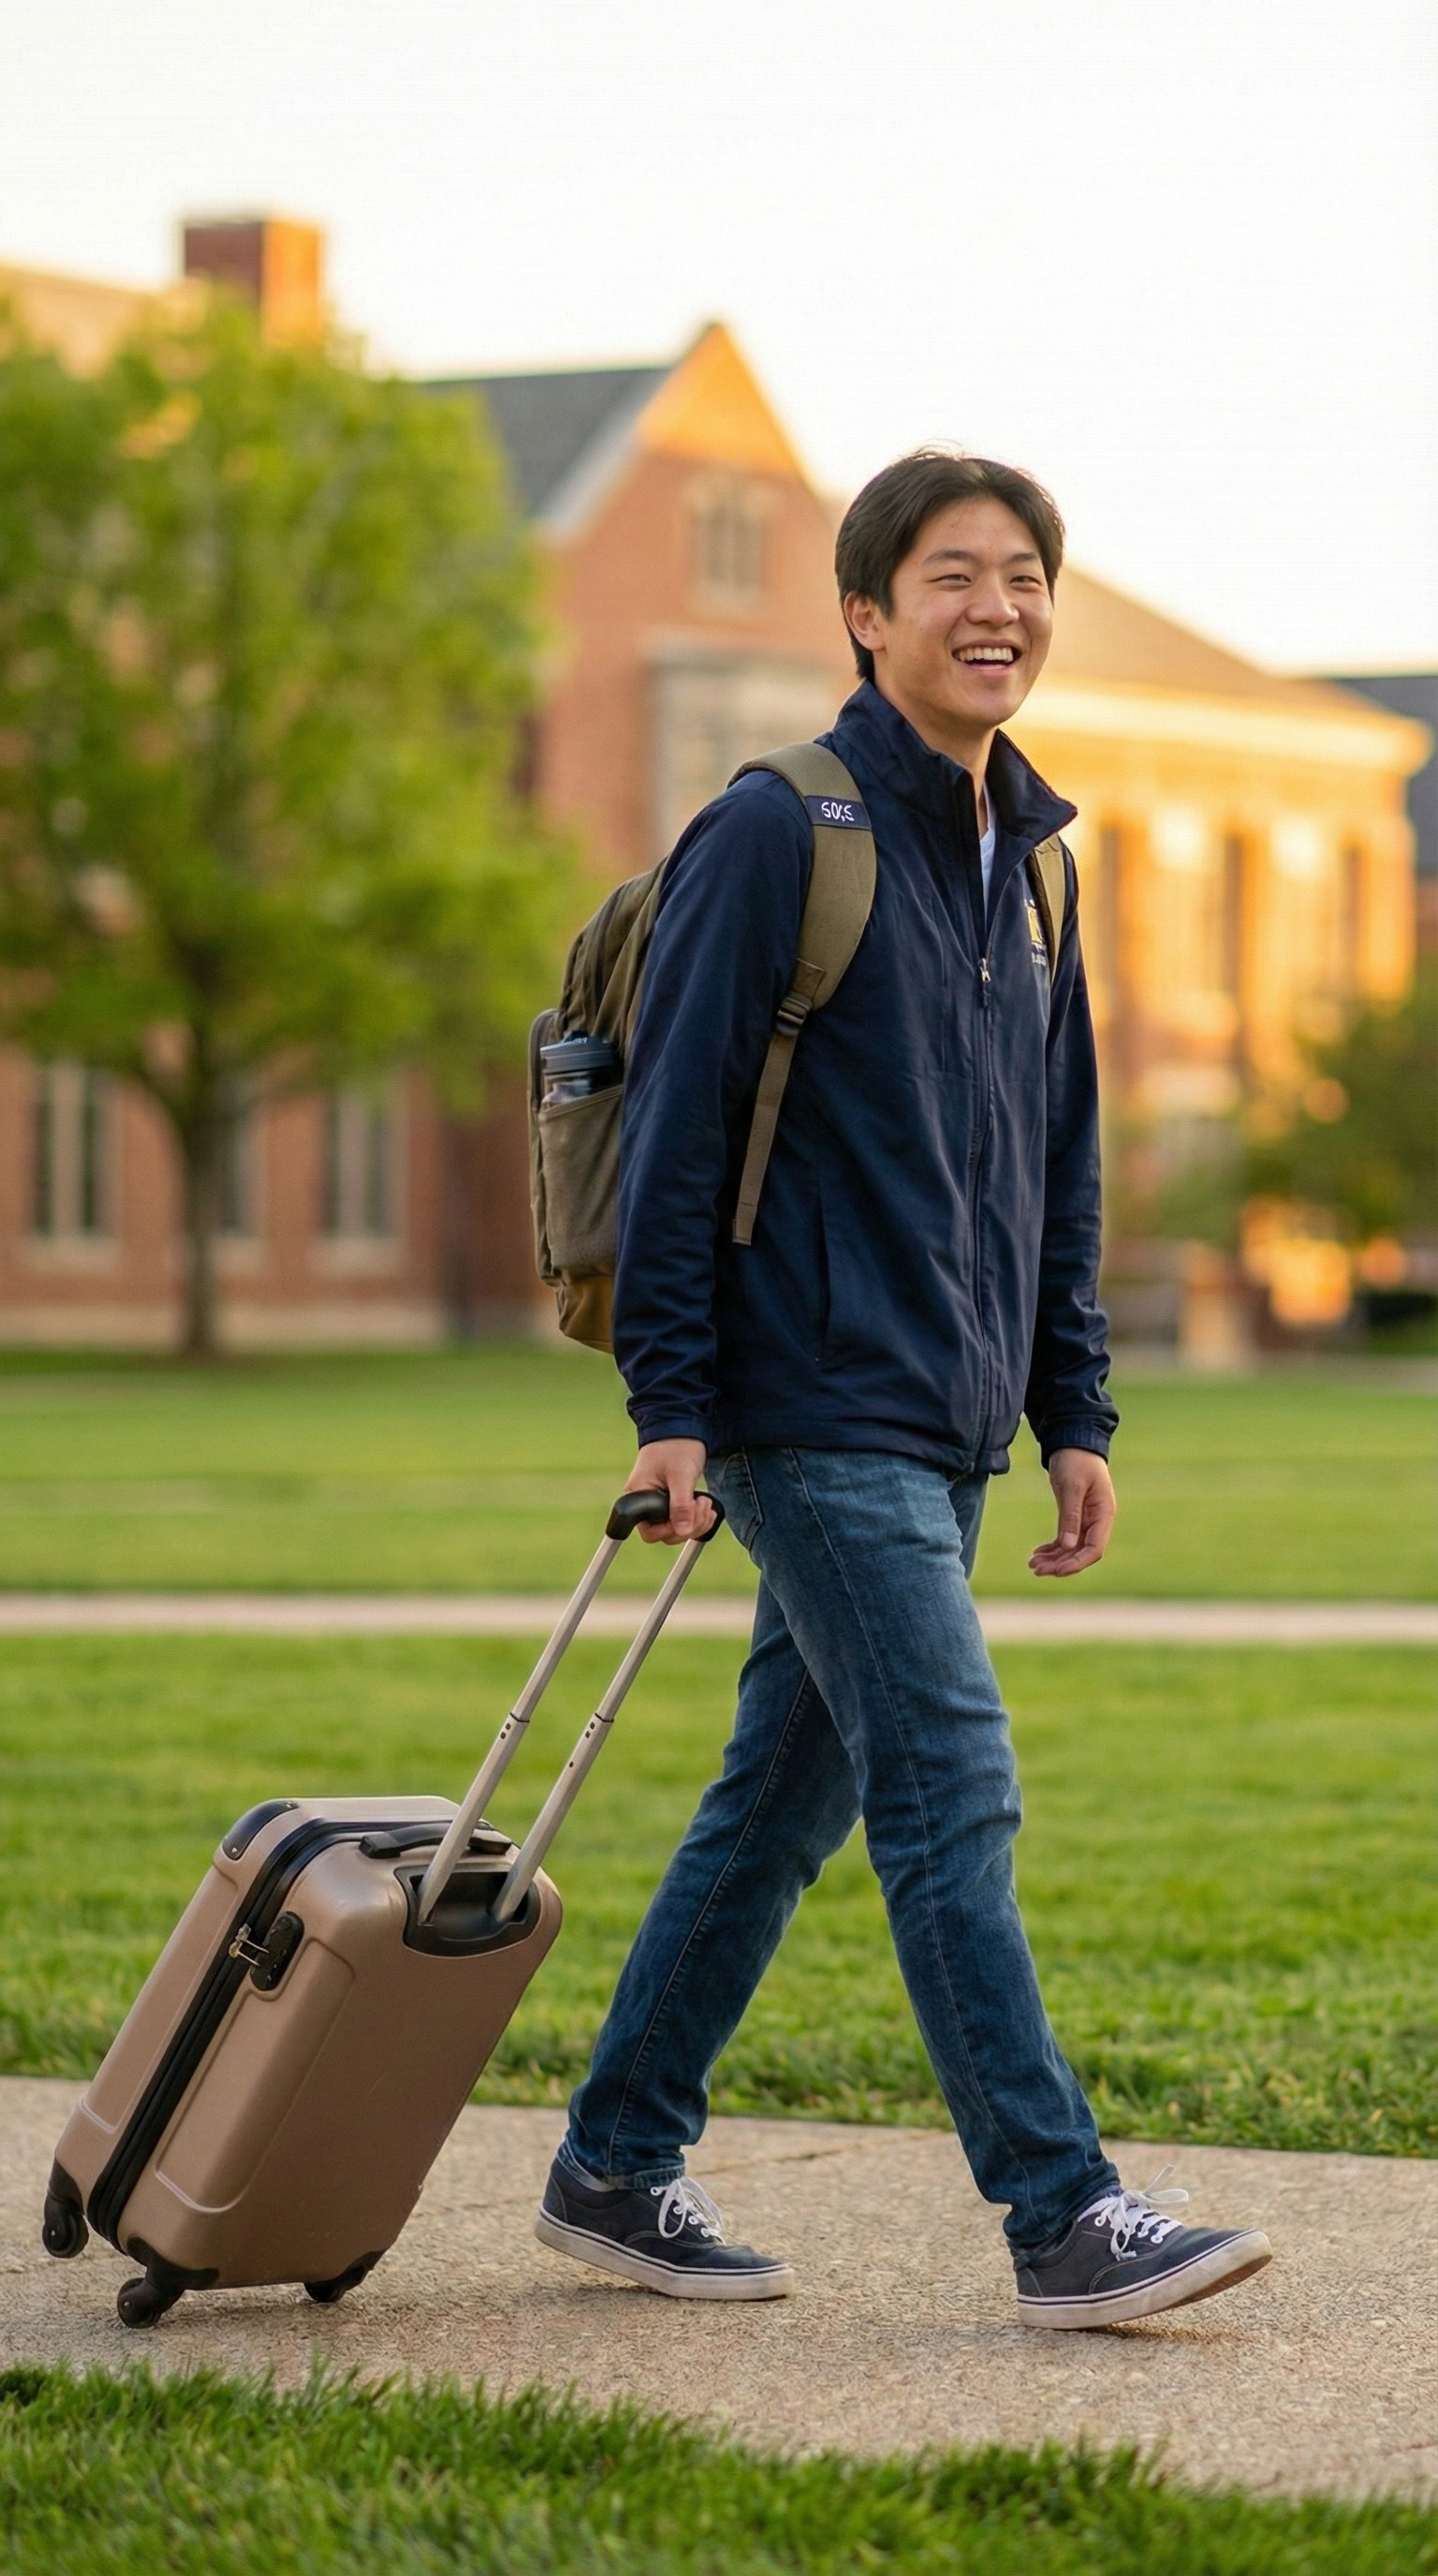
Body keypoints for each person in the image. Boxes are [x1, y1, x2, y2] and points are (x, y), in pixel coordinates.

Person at [534, 450, 1271, 2328]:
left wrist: (1075, 1407)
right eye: (952, 575)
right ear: (867, 612)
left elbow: (1058, 1153)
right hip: (802, 1399)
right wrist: (672, 1399)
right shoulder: (778, 829)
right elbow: (683, 1137)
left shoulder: (1034, 861)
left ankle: (615, 2157)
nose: (995, 607)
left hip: (942, 1417)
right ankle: (1060, 2210)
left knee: (779, 1806)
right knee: (950, 1779)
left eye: (1024, 575)